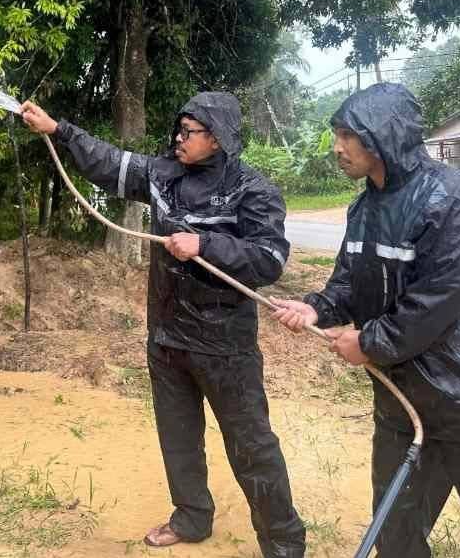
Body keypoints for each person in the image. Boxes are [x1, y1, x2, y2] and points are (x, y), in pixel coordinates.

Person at [20, 93, 306, 556]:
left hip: (225, 347)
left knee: (251, 445)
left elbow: (269, 260)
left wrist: (206, 244)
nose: (178, 138)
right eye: (179, 128)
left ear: (217, 138)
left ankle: (284, 541)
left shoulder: (253, 190)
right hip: (168, 337)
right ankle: (192, 517)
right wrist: (59, 130)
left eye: (189, 131)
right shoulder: (161, 175)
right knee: (178, 438)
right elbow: (108, 162)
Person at [270, 83, 460, 557]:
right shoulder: (365, 208)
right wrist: (317, 306)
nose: (337, 148)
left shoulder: (458, 202)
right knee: (396, 528)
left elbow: (440, 299)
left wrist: (370, 343)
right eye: (336, 134)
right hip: (403, 395)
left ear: (382, 137)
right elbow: (349, 281)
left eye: (347, 135)